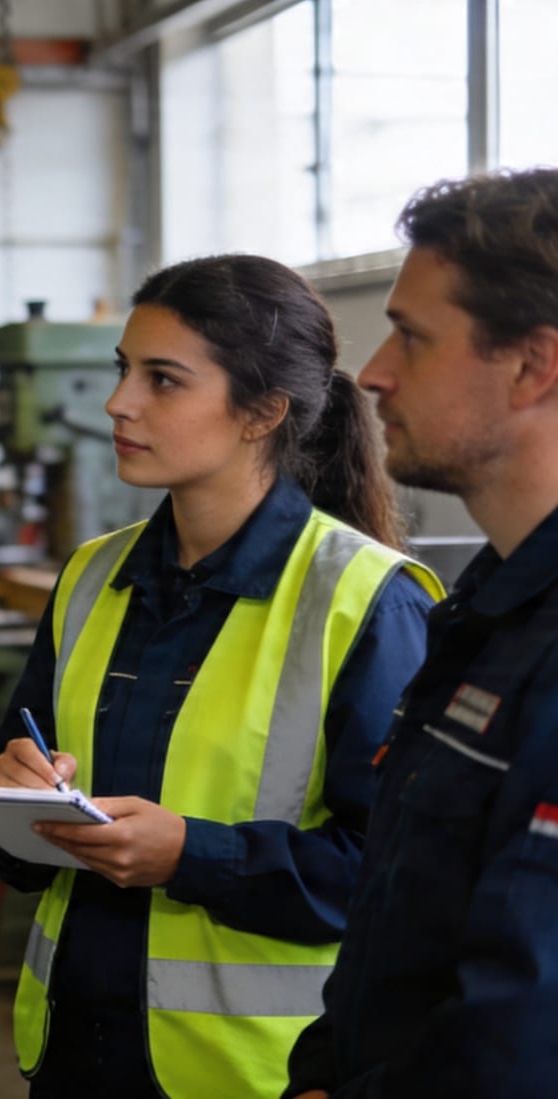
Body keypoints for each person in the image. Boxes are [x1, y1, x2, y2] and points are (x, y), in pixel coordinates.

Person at [0, 253, 442, 1099]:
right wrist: (15, 793)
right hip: (74, 1054)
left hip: (253, 1075)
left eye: (164, 379)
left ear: (262, 412)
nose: (119, 402)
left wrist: (191, 855)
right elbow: (10, 813)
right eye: (124, 370)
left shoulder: (366, 603)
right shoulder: (91, 578)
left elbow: (400, 878)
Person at [282, 169, 558, 1098]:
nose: (373, 373)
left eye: (413, 335)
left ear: (532, 365)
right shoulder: (484, 615)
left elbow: (524, 1033)